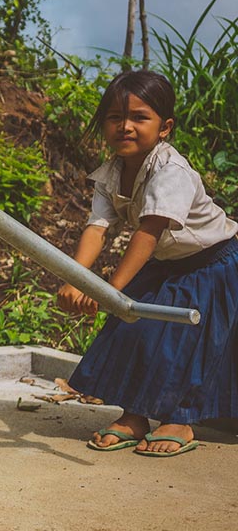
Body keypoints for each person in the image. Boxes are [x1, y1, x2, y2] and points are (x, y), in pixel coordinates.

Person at [56, 70, 238, 457]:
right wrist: (76, 280)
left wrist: (110, 290)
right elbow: (96, 228)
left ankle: (179, 419)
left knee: (185, 343)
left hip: (211, 263)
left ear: (164, 127)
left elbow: (148, 232)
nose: (125, 127)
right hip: (168, 262)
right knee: (130, 331)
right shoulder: (111, 173)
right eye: (114, 117)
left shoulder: (171, 171)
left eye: (140, 117)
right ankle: (134, 415)